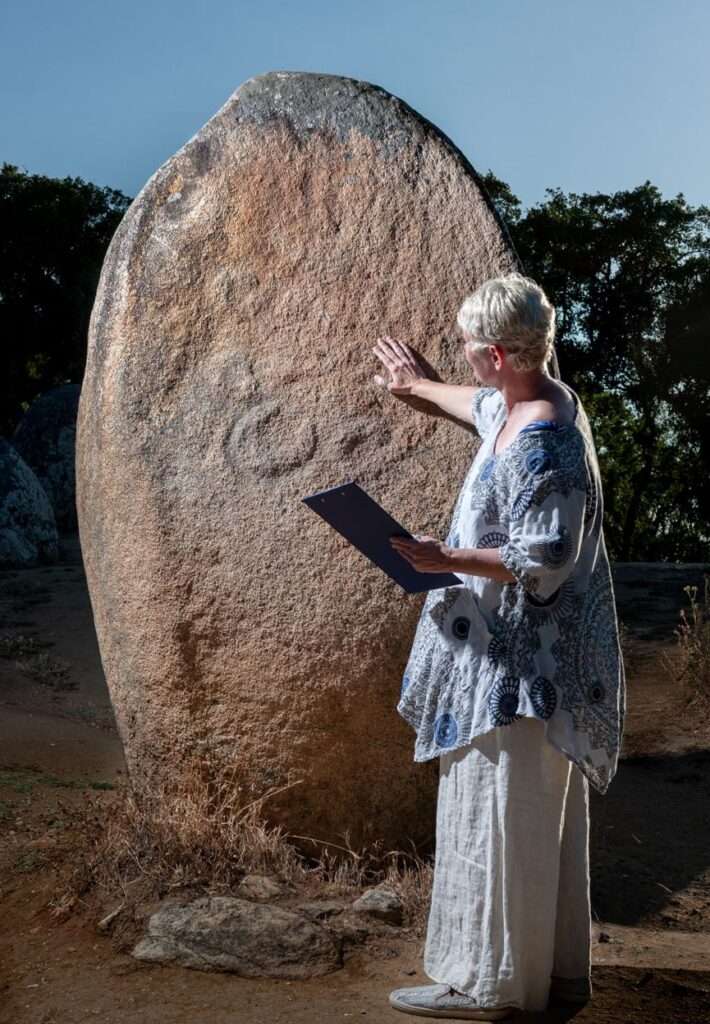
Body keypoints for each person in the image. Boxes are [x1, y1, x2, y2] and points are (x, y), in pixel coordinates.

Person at [371, 272, 625, 1020]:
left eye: (468, 349)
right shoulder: (527, 402)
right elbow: (476, 405)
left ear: (501, 354)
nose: (463, 359)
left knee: (498, 815)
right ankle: (541, 976)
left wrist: (440, 557)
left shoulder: (545, 442)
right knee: (515, 817)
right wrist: (417, 386)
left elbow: (543, 561)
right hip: (507, 665)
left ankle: (487, 984)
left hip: (522, 674)